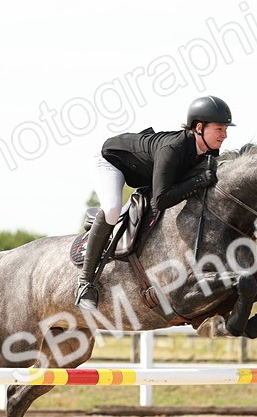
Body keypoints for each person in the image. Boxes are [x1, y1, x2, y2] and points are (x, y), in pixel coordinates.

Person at [76, 95, 235, 310]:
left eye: (225, 129)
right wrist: (198, 180)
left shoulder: (207, 150)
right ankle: (85, 282)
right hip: (111, 162)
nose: (225, 135)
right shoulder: (173, 149)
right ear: (199, 127)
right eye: (219, 129)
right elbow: (160, 200)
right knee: (113, 210)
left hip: (142, 171)